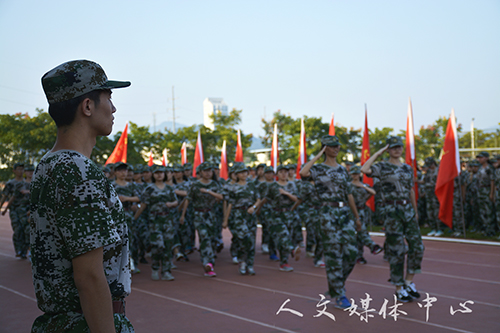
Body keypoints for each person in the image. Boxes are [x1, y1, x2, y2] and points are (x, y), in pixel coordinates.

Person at [30, 59, 133, 332]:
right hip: (84, 323)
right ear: (87, 106)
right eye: (108, 98)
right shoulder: (76, 170)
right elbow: (89, 275)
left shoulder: (50, 163)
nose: (113, 108)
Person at [300, 135, 361, 309]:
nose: (336, 149)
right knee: (333, 254)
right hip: (327, 212)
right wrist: (318, 156)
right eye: (332, 146)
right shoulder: (318, 168)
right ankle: (340, 294)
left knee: (351, 253)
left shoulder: (342, 170)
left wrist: (356, 217)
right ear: (324, 148)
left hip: (344, 212)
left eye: (337, 146)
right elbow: (303, 173)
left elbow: (349, 194)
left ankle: (336, 284)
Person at [361, 136, 424, 303]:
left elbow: (410, 190)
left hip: (407, 210)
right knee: (397, 250)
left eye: (399, 147)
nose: (397, 150)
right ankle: (398, 287)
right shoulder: (382, 166)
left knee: (418, 246)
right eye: (393, 147)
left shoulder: (407, 168)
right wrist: (378, 152)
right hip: (392, 210)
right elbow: (365, 169)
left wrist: (415, 210)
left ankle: (409, 282)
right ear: (388, 149)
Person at [135, 165, 179, 281]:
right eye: (157, 173)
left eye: (161, 173)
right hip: (155, 221)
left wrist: (172, 204)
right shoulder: (149, 189)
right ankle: (155, 267)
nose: (159, 175)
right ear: (153, 175)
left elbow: (175, 201)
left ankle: (166, 271)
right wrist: (135, 218)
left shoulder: (169, 189)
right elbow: (143, 205)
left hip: (167, 221)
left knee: (168, 247)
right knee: (158, 246)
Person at [180, 162, 223, 277]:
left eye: (210, 171)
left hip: (211, 214)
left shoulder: (215, 184)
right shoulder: (195, 185)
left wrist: (209, 191)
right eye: (205, 171)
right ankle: (207, 263)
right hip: (199, 214)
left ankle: (210, 260)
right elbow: (188, 200)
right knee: (204, 237)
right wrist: (183, 215)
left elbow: (221, 197)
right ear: (200, 172)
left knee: (212, 239)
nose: (208, 173)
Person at [223, 164, 261, 275]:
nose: (244, 174)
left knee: (252, 241)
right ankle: (242, 261)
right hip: (239, 215)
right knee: (243, 239)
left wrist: (253, 207)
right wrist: (225, 220)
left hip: (250, 215)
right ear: (237, 174)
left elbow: (258, 199)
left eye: (245, 172)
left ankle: (250, 265)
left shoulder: (252, 185)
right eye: (241, 172)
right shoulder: (233, 187)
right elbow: (230, 204)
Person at [349, 166, 382, 265]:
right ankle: (372, 246)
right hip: (352, 211)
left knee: (359, 234)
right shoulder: (349, 185)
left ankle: (359, 256)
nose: (355, 175)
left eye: (357, 173)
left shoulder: (364, 185)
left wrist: (362, 186)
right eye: (353, 174)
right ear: (350, 174)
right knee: (361, 230)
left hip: (363, 211)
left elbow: (373, 192)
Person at [1, 162, 26, 257]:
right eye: (19, 169)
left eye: (22, 169)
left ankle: (24, 251)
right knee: (17, 229)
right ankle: (18, 249)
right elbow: (5, 196)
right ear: (14, 171)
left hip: (25, 210)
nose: (21, 171)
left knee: (25, 230)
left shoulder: (26, 183)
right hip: (14, 209)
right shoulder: (10, 183)